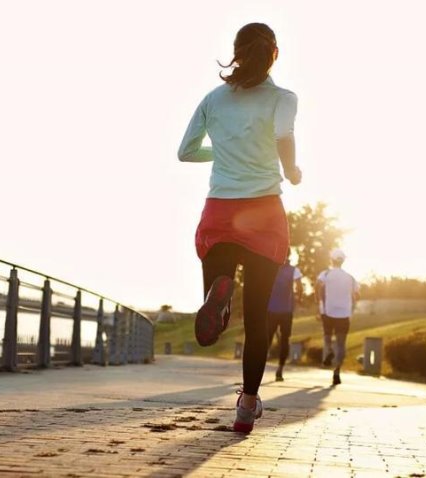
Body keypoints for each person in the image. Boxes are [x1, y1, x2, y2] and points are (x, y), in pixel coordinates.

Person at [178, 23, 301, 433]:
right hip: (264, 213)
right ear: (274, 54)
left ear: (236, 52)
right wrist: (291, 168)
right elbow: (283, 134)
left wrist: (224, 150)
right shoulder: (283, 98)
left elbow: (185, 151)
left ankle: (220, 296)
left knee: (213, 321)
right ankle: (247, 405)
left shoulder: (214, 99)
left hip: (220, 212)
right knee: (258, 320)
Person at [315, 248, 360, 385]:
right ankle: (337, 372)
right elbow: (357, 295)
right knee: (341, 343)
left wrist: (319, 305)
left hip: (328, 311)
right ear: (343, 261)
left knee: (327, 337)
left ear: (331, 260)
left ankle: (329, 351)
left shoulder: (325, 274)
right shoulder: (350, 278)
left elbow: (318, 288)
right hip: (344, 313)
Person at [267, 250, 303, 381]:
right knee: (285, 339)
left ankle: (261, 364)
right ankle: (280, 369)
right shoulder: (294, 270)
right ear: (289, 256)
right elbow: (299, 287)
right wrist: (298, 299)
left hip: (271, 308)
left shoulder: (270, 267)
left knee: (267, 338)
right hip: (286, 310)